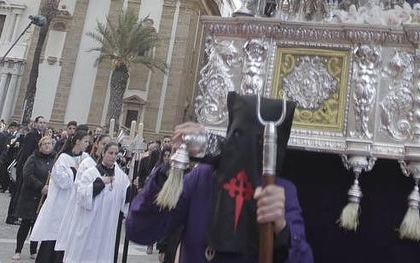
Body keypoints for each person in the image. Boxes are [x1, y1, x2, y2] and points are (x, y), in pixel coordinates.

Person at [126, 93, 313, 263]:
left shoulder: (281, 192)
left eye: (257, 142)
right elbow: (140, 231)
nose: (246, 151)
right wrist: (169, 171)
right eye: (238, 136)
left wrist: (282, 229)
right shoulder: (203, 178)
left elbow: (303, 258)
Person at [61, 141, 131, 263]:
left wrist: (133, 187)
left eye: (116, 154)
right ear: (103, 153)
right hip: (90, 223)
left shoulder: (121, 177)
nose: (113, 156)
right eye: (110, 153)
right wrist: (99, 183)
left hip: (107, 226)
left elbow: (126, 199)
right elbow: (82, 196)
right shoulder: (91, 173)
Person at [30, 129, 91, 263]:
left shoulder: (86, 158)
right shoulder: (63, 157)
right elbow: (61, 180)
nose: (87, 144)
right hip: (61, 203)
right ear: (77, 141)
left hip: (74, 204)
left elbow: (90, 176)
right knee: (54, 235)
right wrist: (74, 171)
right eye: (85, 141)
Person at [14, 134, 55, 260]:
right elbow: (28, 175)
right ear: (40, 146)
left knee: (37, 225)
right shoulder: (33, 158)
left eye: (49, 144)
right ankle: (18, 250)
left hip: (45, 198)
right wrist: (40, 186)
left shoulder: (54, 159)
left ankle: (33, 250)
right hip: (31, 196)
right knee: (26, 223)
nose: (47, 146)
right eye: (45, 144)